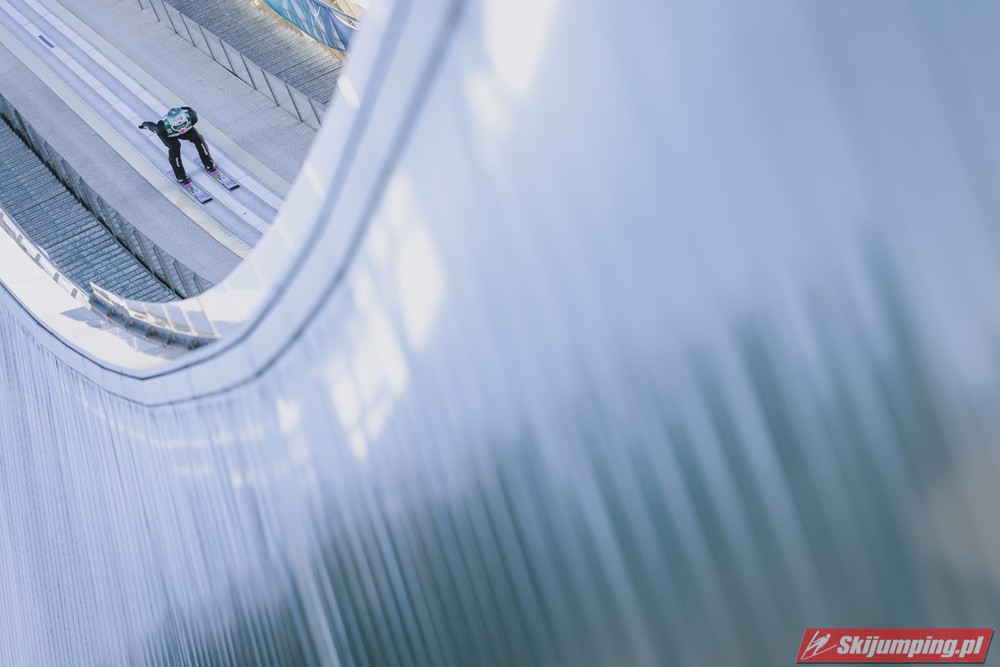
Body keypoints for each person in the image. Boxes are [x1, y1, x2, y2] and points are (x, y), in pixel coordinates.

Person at [139, 107, 217, 185]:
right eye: (177, 127)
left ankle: (208, 162)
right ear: (170, 125)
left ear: (186, 119)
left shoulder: (192, 116)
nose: (181, 129)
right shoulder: (162, 128)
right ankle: (180, 175)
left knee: (199, 139)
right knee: (175, 147)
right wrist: (145, 124)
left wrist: (180, 113)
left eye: (183, 124)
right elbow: (153, 127)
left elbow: (187, 108)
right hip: (169, 136)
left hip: (186, 130)